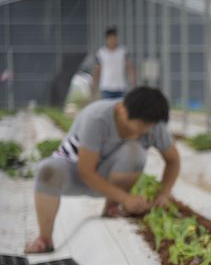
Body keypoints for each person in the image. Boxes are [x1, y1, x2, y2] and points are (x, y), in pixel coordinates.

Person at [24, 86, 180, 254]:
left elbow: (173, 161)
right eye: (142, 124)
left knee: (135, 151)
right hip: (75, 172)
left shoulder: (153, 125)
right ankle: (44, 239)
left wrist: (164, 194)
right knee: (47, 171)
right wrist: (126, 199)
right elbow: (86, 172)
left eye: (151, 125)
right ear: (122, 110)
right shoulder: (97, 118)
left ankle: (112, 206)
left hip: (112, 179)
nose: (146, 130)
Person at [92, 27, 135, 100]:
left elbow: (129, 67)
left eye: (114, 39)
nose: (113, 41)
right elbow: (97, 69)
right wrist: (94, 83)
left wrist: (132, 81)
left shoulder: (123, 51)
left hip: (120, 87)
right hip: (106, 87)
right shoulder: (101, 52)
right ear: (107, 39)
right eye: (110, 39)